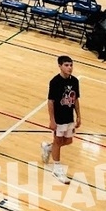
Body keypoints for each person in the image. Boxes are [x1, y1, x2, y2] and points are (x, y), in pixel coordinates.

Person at [41, 55, 81, 185]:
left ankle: (48, 148)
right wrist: (52, 120)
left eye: (71, 65)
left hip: (69, 117)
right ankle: (57, 169)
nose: (69, 68)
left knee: (68, 141)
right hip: (59, 118)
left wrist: (79, 115)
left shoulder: (75, 81)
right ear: (60, 66)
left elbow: (75, 99)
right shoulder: (55, 82)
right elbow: (50, 102)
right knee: (58, 141)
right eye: (66, 65)